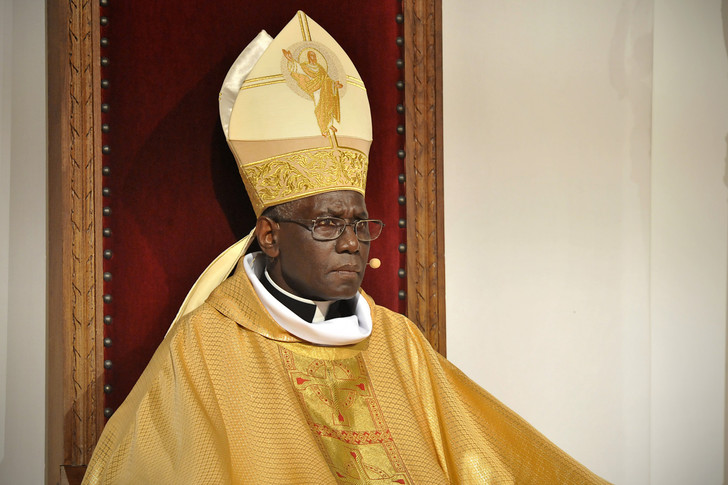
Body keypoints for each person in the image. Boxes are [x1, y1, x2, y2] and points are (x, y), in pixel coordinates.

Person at [82, 11, 609, 484]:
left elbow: (487, 455)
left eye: (360, 223)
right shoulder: (208, 349)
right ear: (270, 236)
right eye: (329, 225)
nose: (353, 244)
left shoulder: (398, 343)